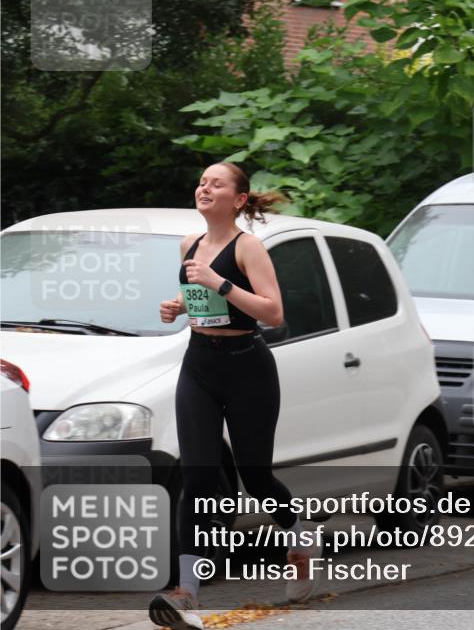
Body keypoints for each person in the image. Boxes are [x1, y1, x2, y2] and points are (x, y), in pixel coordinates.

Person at [148, 163, 321, 630]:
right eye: (201, 181)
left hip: (248, 367)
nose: (204, 187)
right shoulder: (190, 246)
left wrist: (217, 282)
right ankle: (186, 592)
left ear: (239, 200)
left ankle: (301, 538)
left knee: (256, 477)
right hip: (199, 365)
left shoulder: (248, 247)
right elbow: (204, 301)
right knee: (198, 476)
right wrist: (180, 306)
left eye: (216, 183)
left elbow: (274, 311)